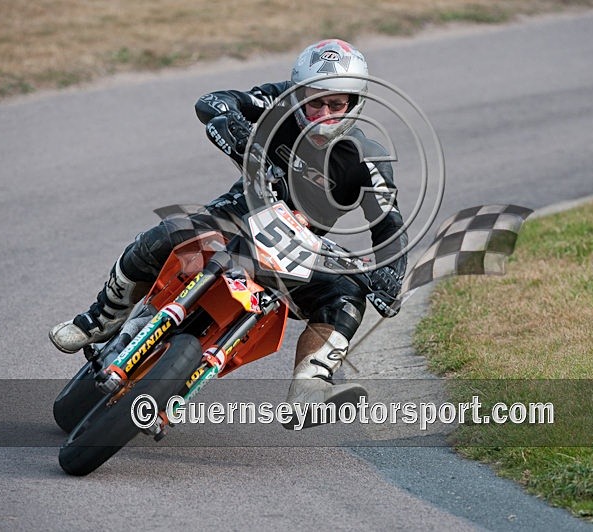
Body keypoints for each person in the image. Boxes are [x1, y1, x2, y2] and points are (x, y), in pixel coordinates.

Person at [49, 39, 407, 418]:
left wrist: (389, 277)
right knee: (168, 233)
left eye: (336, 105)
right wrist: (235, 130)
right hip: (237, 214)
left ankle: (310, 387)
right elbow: (213, 101)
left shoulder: (369, 159)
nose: (322, 113)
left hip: (298, 245)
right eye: (314, 100)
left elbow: (390, 227)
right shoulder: (277, 102)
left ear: (356, 103)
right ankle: (101, 318)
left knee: (349, 297)